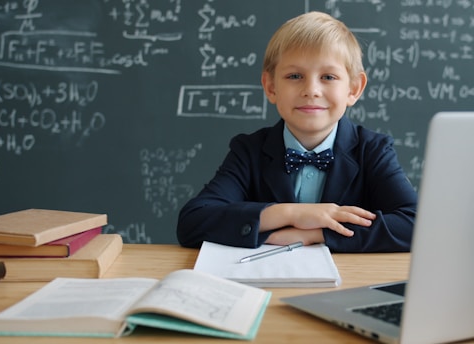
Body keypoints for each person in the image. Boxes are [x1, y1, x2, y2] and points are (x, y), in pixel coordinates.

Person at [177, 11, 417, 252]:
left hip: (347, 284)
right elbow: (193, 221)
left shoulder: (372, 150)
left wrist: (317, 233)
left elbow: (416, 224)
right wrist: (292, 213)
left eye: (328, 77)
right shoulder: (249, 151)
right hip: (267, 281)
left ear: (354, 89)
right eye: (294, 76)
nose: (311, 90)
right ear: (271, 87)